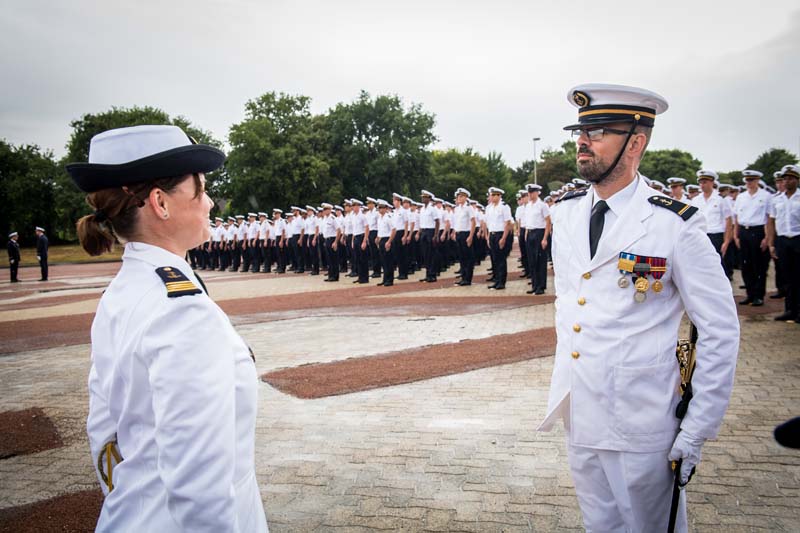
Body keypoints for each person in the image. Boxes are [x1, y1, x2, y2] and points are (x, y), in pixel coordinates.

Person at [538, 84, 739, 532]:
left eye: (597, 133)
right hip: (580, 409)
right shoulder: (567, 213)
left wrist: (698, 426)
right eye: (580, 132)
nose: (582, 142)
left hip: (640, 418)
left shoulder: (675, 223)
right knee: (600, 526)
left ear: (635, 143)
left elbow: (720, 329)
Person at [66, 125, 268, 532]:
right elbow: (201, 491)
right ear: (160, 202)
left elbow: (103, 433)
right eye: (201, 188)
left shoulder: (123, 291)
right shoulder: (184, 311)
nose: (209, 202)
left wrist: (135, 497)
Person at [734, 169, 772, 306]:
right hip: (744, 231)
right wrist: (736, 236)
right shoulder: (741, 197)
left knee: (759, 266)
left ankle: (758, 295)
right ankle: (749, 294)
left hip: (758, 232)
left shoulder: (766, 196)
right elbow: (736, 218)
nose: (749, 182)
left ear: (757, 180)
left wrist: (767, 237)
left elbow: (769, 218)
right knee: (746, 265)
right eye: (747, 180)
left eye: (752, 180)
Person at [768, 164, 800, 322]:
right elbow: (771, 222)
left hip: (798, 239)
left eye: (791, 178)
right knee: (787, 277)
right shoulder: (777, 199)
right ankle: (790, 310)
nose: (787, 181)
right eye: (785, 179)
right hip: (782, 240)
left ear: (797, 180)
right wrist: (771, 243)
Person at [691, 170, 733, 279]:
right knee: (702, 264)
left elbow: (728, 221)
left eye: (705, 182)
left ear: (712, 182)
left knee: (718, 264)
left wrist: (726, 241)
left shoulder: (720, 200)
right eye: (700, 182)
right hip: (700, 236)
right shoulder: (695, 200)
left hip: (716, 236)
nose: (702, 185)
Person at [522, 183, 551, 295]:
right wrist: (526, 234)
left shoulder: (542, 205)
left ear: (537, 193)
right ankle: (534, 285)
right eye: (528, 193)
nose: (529, 195)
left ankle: (541, 286)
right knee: (532, 261)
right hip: (530, 233)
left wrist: (545, 238)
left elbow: (548, 222)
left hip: (539, 233)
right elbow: (528, 221)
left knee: (540, 261)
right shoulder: (528, 206)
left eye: (531, 192)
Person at [482, 187, 512, 290]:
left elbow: (507, 223)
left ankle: (501, 282)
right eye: (491, 195)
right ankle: (496, 280)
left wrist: (503, 238)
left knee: (501, 259)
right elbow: (487, 223)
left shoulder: (504, 207)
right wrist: (487, 237)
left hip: (500, 234)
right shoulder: (489, 208)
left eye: (494, 195)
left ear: (499, 196)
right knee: (494, 259)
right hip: (492, 234)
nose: (491, 197)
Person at [452, 188, 476, 286]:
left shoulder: (468, 208)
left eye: (461, 196)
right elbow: (456, 222)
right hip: (458, 234)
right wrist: (454, 233)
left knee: (468, 257)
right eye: (458, 196)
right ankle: (463, 277)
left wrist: (470, 236)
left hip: (466, 234)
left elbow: (473, 222)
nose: (459, 198)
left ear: (466, 197)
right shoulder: (457, 209)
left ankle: (468, 279)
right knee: (461, 257)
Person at [418, 190, 441, 283]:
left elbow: (437, 222)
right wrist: (419, 233)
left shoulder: (432, 209)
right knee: (425, 254)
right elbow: (421, 222)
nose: (422, 199)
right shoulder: (422, 209)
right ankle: (428, 274)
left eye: (424, 197)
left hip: (430, 231)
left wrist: (436, 235)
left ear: (429, 198)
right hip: (424, 232)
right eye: (422, 197)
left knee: (432, 254)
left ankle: (432, 275)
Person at [375, 200, 396, 286]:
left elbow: (393, 230)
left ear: (385, 208)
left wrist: (389, 241)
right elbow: (380, 230)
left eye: (382, 208)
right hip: (381, 239)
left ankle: (390, 280)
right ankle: (385, 279)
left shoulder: (388, 217)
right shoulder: (379, 218)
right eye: (379, 208)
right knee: (383, 261)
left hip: (387, 239)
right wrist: (377, 238)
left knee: (388, 261)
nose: (380, 209)